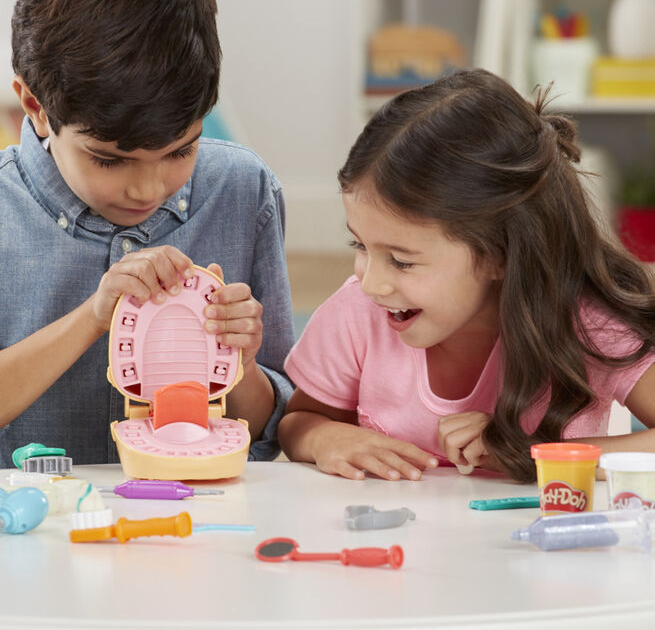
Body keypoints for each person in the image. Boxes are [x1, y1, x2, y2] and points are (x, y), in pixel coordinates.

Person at [0, 0, 295, 471]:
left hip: (195, 520)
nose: (148, 189)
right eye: (109, 160)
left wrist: (240, 364)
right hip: (23, 532)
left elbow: (275, 426)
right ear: (34, 106)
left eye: (181, 150)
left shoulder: (243, 189)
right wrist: (91, 317)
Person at [278, 68, 655, 485]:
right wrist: (325, 438)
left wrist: (533, 456)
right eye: (361, 246)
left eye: (402, 261)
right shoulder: (356, 313)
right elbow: (300, 421)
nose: (371, 283)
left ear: (500, 255)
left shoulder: (588, 322)